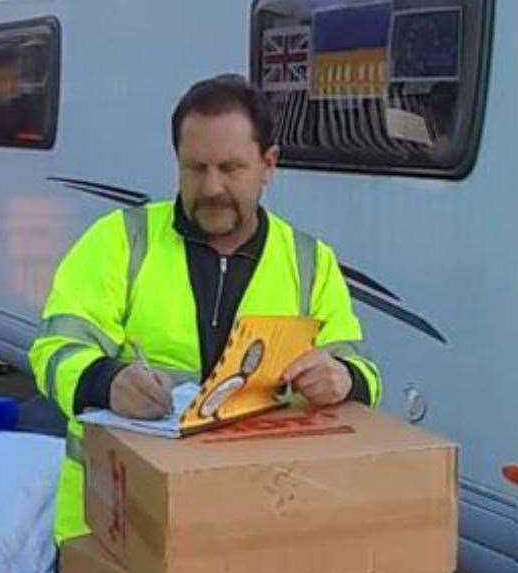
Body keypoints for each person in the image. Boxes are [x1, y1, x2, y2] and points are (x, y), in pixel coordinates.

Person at [29, 74, 381, 544]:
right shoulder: (120, 240)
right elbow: (54, 350)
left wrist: (344, 378)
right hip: (113, 528)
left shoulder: (310, 262)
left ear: (268, 164)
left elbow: (361, 369)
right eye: (195, 168)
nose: (211, 186)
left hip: (252, 529)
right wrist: (104, 381)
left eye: (231, 168)